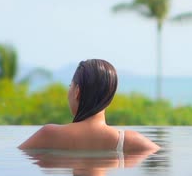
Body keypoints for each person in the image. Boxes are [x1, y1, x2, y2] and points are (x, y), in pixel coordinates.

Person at [18, 59, 160, 153]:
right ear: (109, 97)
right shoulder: (129, 141)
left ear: (77, 92)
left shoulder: (49, 135)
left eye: (70, 87)